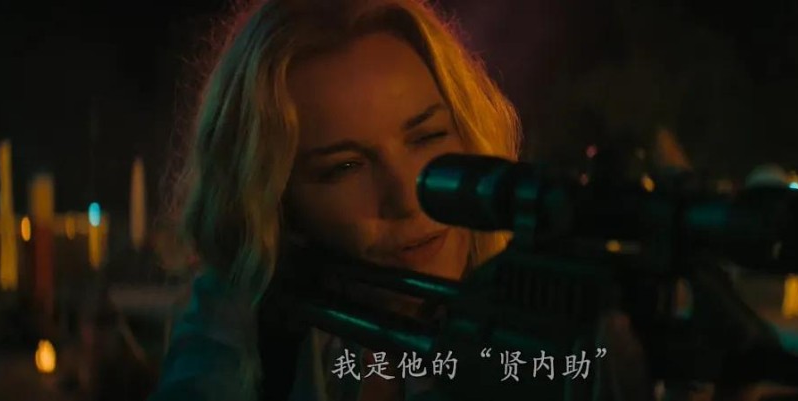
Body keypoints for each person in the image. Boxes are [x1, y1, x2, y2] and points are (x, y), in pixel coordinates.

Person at [150, 1, 650, 400]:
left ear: (468, 134)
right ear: (275, 201)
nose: (407, 196)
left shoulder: (556, 324)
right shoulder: (250, 314)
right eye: (345, 166)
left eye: (428, 137)